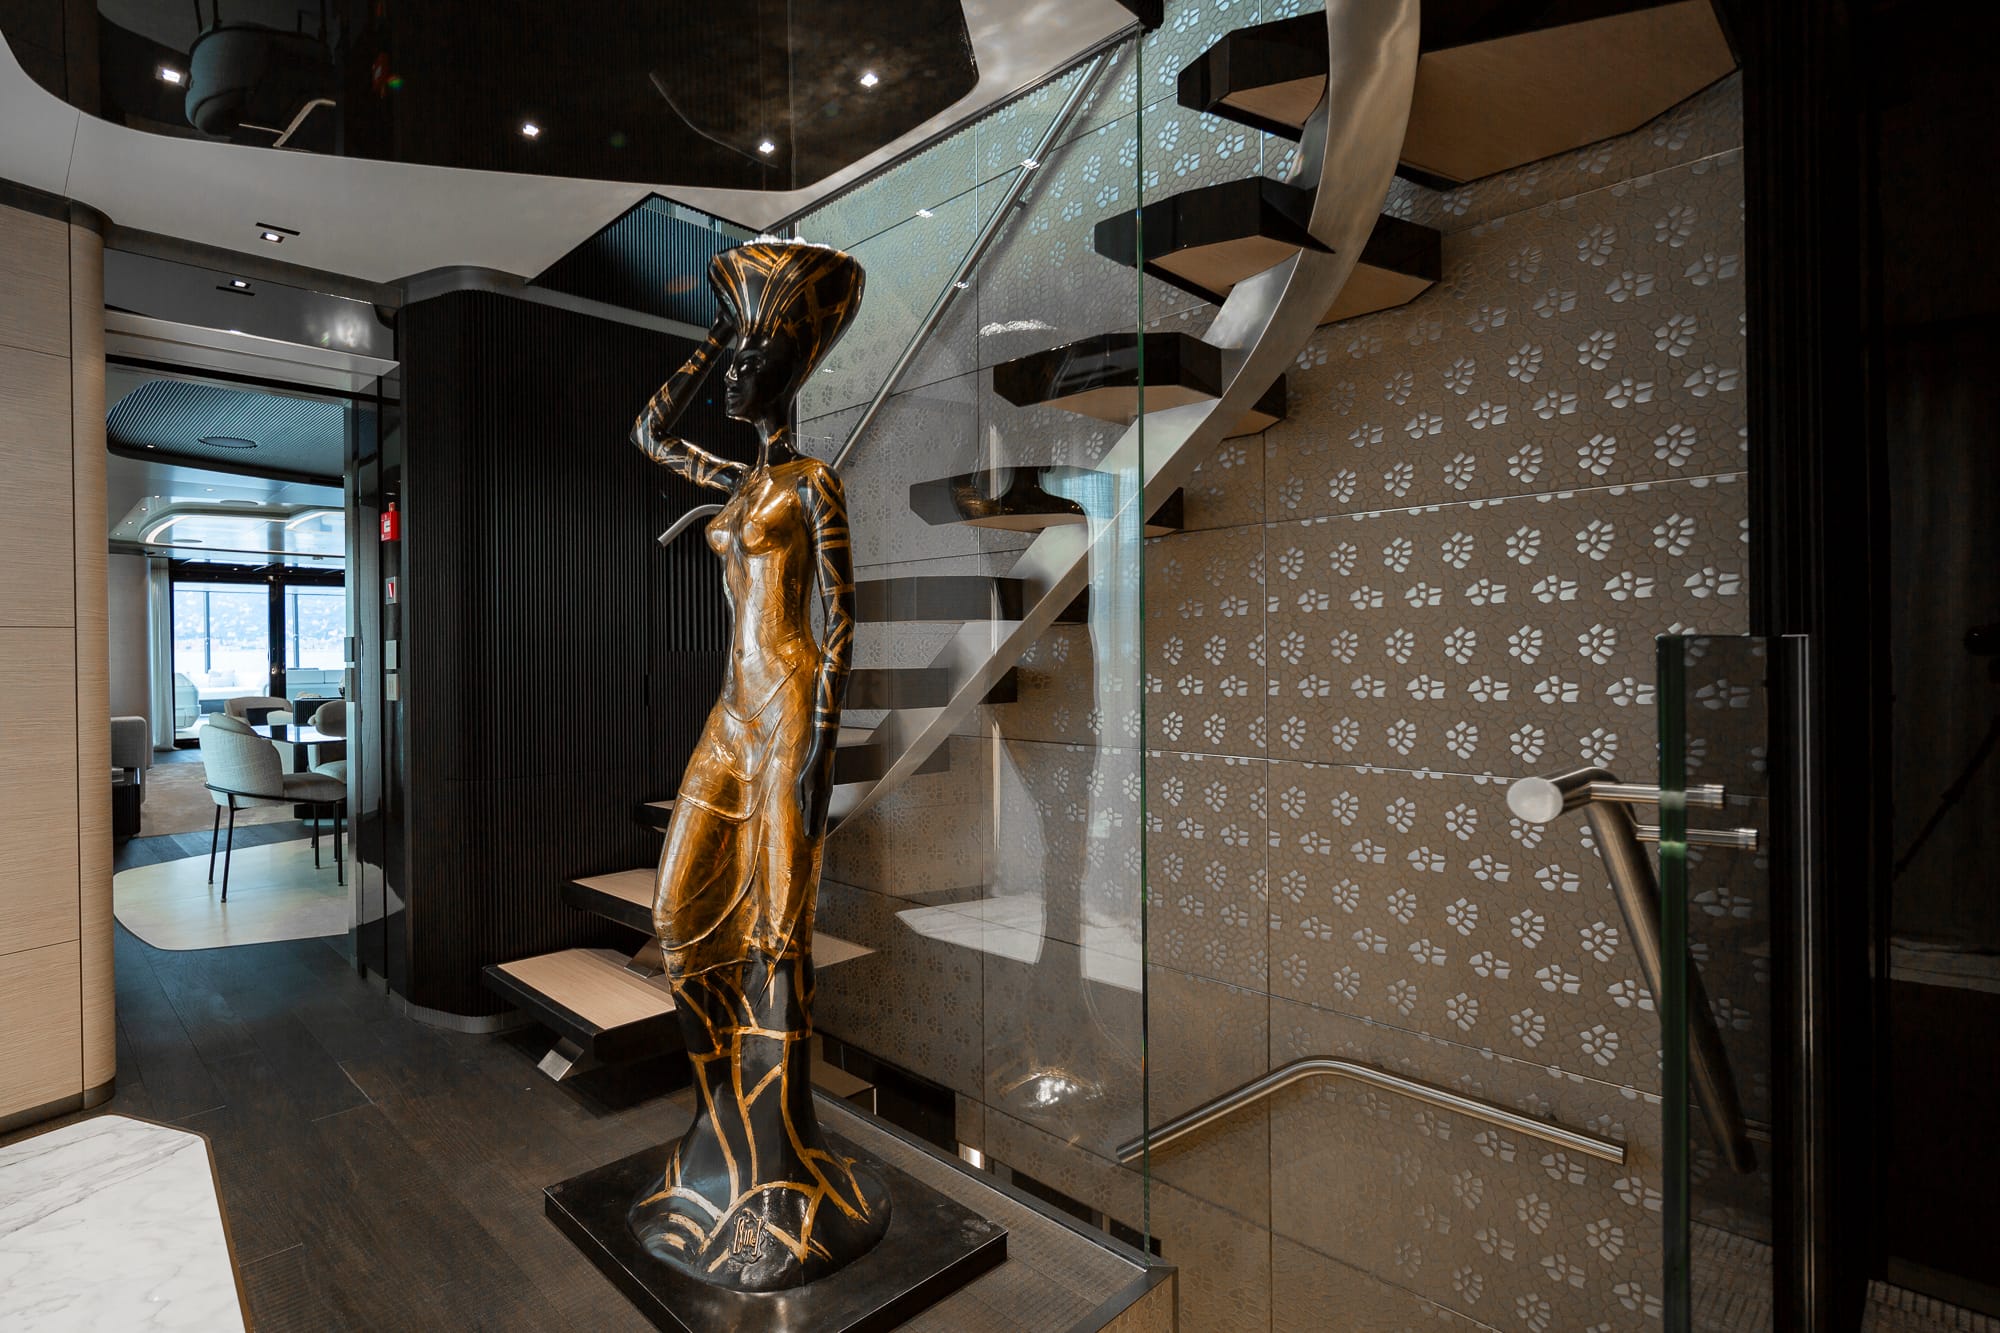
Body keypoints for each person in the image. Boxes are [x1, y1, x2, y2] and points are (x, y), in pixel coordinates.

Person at [623, 238, 888, 1290]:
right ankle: (722, 1129)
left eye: (750, 361)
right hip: (729, 716)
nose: (734, 378)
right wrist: (715, 334)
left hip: (786, 708)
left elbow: (843, 621)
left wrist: (821, 738)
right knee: (679, 919)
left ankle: (781, 1162)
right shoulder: (738, 482)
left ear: (787, 374)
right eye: (733, 363)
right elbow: (649, 433)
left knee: (779, 930)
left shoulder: (813, 483)